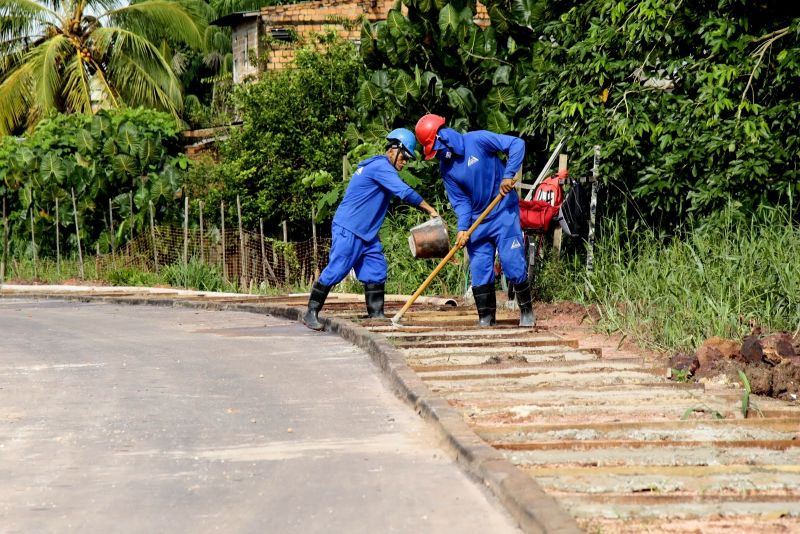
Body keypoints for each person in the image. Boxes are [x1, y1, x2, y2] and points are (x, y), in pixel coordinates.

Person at [303, 128, 439, 331]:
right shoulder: (380, 167)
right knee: (337, 269)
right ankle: (311, 312)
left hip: (366, 233)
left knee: (376, 269)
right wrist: (430, 210)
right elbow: (403, 191)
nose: (405, 162)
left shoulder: (381, 167)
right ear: (393, 150)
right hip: (349, 228)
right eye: (404, 157)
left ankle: (375, 315)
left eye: (408, 159)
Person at [414, 114, 534, 327]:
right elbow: (460, 202)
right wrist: (462, 228)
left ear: (442, 138)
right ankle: (486, 318)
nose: (437, 155)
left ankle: (526, 311)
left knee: (512, 262)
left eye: (435, 149)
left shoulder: (477, 140)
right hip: (477, 220)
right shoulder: (446, 168)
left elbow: (517, 144)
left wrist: (508, 175)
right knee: (479, 269)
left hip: (503, 210)